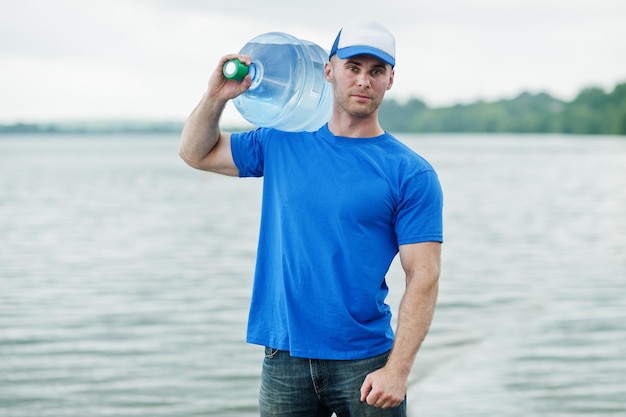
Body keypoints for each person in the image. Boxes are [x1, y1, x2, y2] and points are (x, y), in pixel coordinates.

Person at [179, 20, 443, 417]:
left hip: (366, 362)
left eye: (376, 71)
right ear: (328, 70)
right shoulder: (282, 138)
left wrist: (398, 370)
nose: (363, 81)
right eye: (353, 67)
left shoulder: (410, 172)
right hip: (283, 355)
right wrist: (216, 97)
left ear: (390, 80)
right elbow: (195, 153)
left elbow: (424, 275)